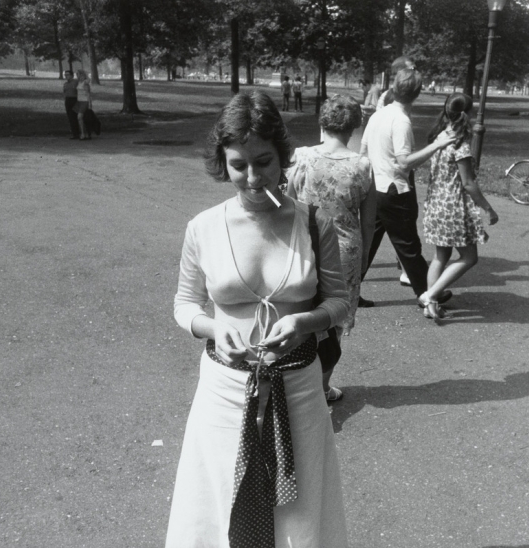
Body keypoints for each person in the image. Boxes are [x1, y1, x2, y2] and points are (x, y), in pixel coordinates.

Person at [165, 91, 349, 548]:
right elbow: (185, 304)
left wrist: (306, 322)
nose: (251, 176)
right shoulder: (203, 228)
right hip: (225, 390)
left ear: (282, 156)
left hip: (299, 389)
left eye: (263, 161)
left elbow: (340, 302)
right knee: (219, 503)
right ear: (222, 163)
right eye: (238, 165)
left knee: (299, 511)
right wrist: (213, 327)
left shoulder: (312, 224)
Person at [286, 94, 376, 402]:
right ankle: (321, 386)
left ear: (322, 122)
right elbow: (368, 221)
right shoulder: (361, 166)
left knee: (300, 310)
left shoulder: (302, 157)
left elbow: (286, 202)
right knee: (333, 317)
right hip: (344, 248)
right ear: (353, 127)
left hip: (306, 244)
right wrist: (363, 257)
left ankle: (295, 380)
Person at [359, 68, 459, 302]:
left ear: (393, 88)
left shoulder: (378, 115)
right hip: (394, 190)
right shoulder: (401, 121)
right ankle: (426, 293)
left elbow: (363, 151)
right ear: (417, 94)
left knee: (368, 245)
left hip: (375, 187)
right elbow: (404, 163)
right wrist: (438, 145)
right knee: (408, 246)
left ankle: (348, 292)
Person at [418, 93, 499, 319]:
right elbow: (469, 183)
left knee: (440, 256)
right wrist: (488, 209)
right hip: (452, 206)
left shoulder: (439, 136)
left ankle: (430, 306)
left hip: (435, 204)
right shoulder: (461, 144)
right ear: (469, 113)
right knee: (469, 257)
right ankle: (431, 295)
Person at [73, 69, 92, 140]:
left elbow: (88, 94)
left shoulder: (85, 83)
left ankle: (83, 133)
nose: (79, 76)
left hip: (85, 101)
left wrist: (90, 104)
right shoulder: (79, 82)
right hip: (79, 101)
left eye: (81, 75)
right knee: (81, 119)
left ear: (84, 75)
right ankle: (84, 133)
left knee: (79, 117)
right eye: (78, 75)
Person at [62, 70, 80, 140]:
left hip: (74, 100)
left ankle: (78, 133)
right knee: (70, 117)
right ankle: (74, 133)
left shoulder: (75, 82)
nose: (66, 76)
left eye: (68, 75)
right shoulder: (65, 84)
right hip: (68, 100)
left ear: (72, 75)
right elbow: (64, 92)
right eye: (65, 75)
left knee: (75, 117)